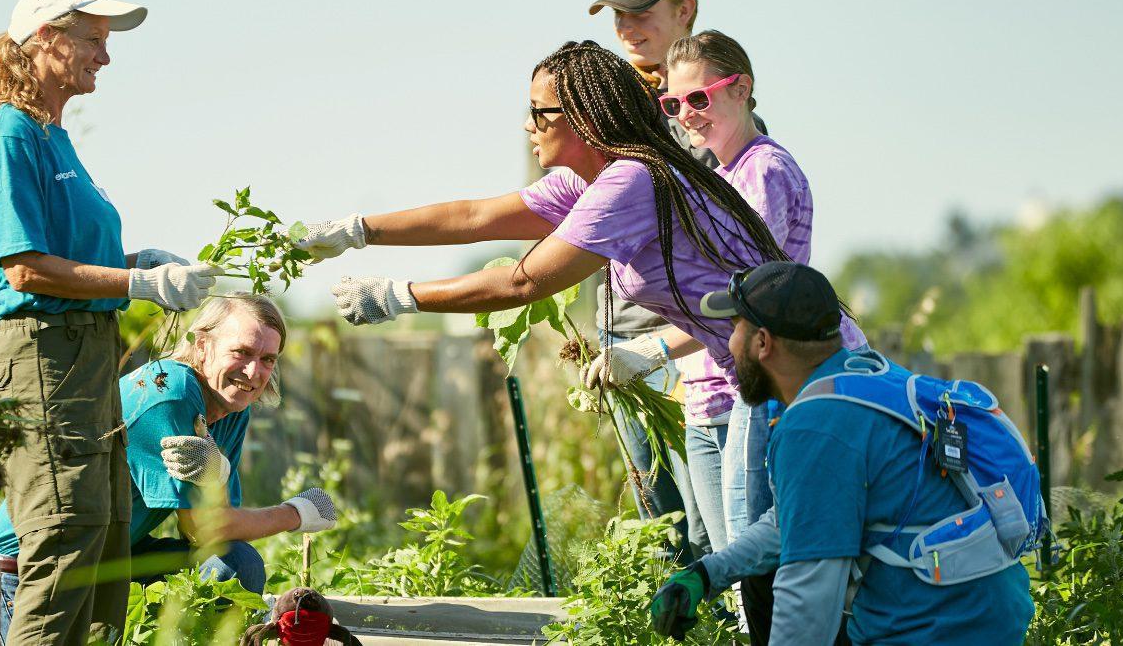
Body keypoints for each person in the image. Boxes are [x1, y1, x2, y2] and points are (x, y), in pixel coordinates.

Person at [296, 43, 863, 489]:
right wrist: (358, 231)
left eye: (538, 113)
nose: (527, 125)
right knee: (758, 566)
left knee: (770, 566)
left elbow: (525, 280)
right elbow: (473, 217)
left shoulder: (631, 181)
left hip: (808, 372)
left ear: (583, 118)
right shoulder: (592, 181)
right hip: (765, 375)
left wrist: (398, 297)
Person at [0, 0, 221, 645]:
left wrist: (140, 263)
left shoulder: (56, 139)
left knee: (105, 546)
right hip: (44, 355)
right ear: (45, 38)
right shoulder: (10, 135)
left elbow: (70, 253)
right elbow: (20, 265)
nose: (104, 59)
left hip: (87, 354)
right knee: (64, 539)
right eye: (93, 41)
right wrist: (141, 285)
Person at [591, 29, 831, 640]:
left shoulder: (763, 172)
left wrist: (649, 350)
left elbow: (753, 303)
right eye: (672, 105)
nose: (685, 115)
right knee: (724, 558)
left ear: (742, 89)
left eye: (699, 98)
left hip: (760, 390)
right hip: (712, 389)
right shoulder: (718, 177)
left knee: (753, 565)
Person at [650, 262, 1034, 644]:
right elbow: (795, 519)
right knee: (759, 579)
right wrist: (707, 574)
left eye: (734, 328)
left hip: (930, 630)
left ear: (763, 343)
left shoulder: (815, 426)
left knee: (776, 588)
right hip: (987, 616)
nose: (728, 344)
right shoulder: (867, 378)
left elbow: (808, 602)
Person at [584, 0, 779, 564]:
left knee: (707, 533)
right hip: (621, 343)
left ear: (687, 10)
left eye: (641, 11)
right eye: (617, 14)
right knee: (659, 529)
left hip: (685, 350)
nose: (626, 27)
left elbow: (741, 263)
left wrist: (655, 351)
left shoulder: (705, 115)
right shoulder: (616, 107)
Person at [0, 295, 338, 641]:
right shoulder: (168, 393)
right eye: (242, 353)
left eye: (267, 359)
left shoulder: (233, 408)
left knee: (236, 564)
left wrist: (215, 475)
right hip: (37, 564)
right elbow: (206, 528)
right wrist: (296, 513)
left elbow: (216, 522)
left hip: (113, 557)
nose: (253, 372)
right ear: (202, 346)